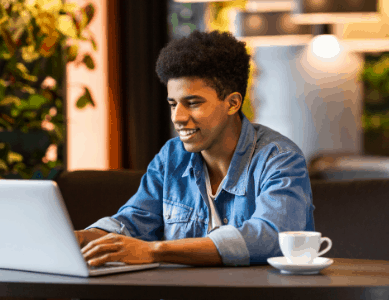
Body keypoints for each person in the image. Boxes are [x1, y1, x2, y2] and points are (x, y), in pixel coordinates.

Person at [75, 30, 315, 267]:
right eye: (173, 104)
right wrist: (81, 238)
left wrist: (155, 251)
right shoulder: (171, 156)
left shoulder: (280, 158)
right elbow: (133, 222)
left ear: (232, 103)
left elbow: (271, 236)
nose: (177, 117)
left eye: (193, 103)